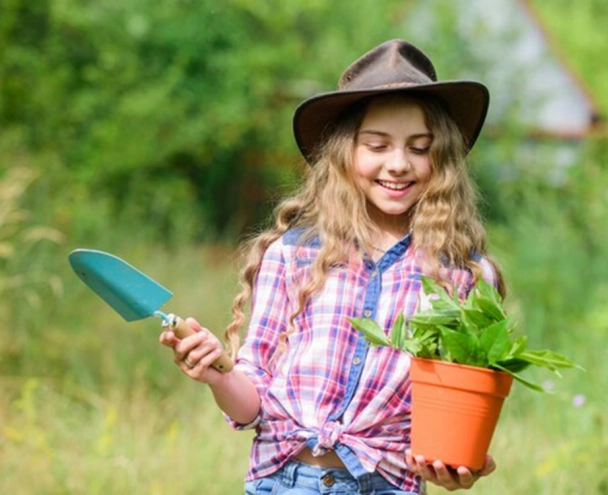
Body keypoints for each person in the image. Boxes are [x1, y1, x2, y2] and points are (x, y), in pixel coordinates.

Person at [159, 39, 505, 494]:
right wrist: (217, 372)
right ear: (345, 153)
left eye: (419, 148)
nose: (398, 164)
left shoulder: (463, 275)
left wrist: (459, 466)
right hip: (283, 482)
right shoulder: (295, 253)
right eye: (377, 145)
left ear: (441, 159)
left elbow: (458, 409)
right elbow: (252, 406)